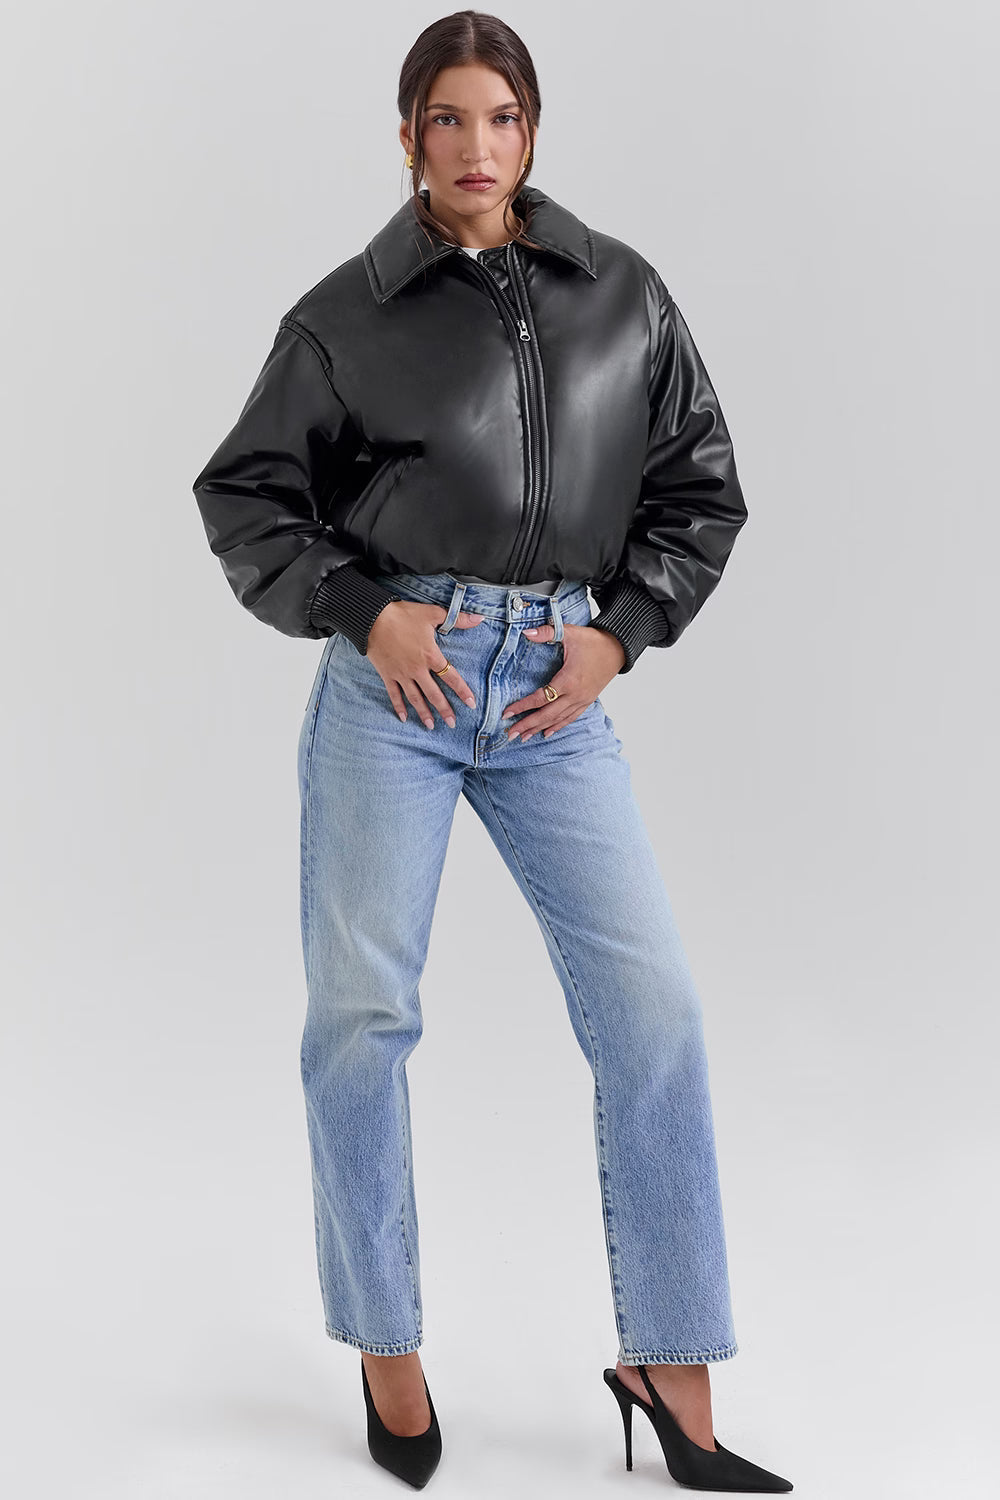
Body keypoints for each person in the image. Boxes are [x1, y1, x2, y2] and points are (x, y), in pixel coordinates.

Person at [192, 11, 792, 1493]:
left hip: (551, 695)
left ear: (534, 132)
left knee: (653, 1012)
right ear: (407, 138)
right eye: (447, 120)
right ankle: (387, 1351)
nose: (476, 148)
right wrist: (365, 613)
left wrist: (618, 634)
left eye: (502, 118)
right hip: (393, 691)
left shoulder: (620, 295)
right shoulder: (344, 319)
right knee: (363, 1018)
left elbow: (700, 490)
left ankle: (670, 1361)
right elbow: (246, 498)